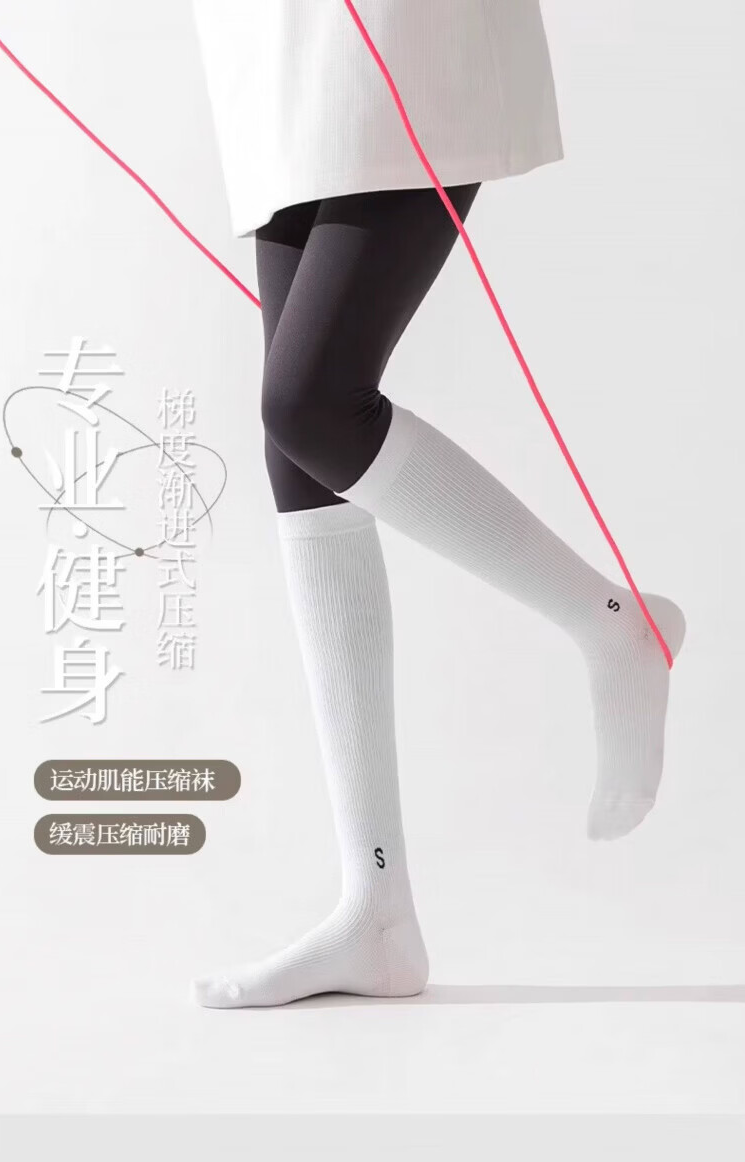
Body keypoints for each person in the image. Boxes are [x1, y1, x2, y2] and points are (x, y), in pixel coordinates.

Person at [190, 1, 685, 1008]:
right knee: (299, 450)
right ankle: (376, 909)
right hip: (270, 41)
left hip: (395, 29)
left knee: (311, 403)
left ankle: (611, 623)